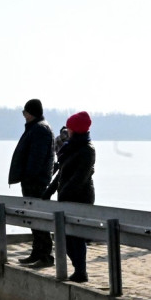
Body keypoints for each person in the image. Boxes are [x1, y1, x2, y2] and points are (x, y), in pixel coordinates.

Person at [44, 111, 95, 282]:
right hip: (66, 196)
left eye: (70, 128)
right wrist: (50, 191)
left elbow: (80, 178)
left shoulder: (87, 150)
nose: (68, 131)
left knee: (76, 236)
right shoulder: (69, 147)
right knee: (65, 236)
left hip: (81, 198)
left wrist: (64, 194)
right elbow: (62, 173)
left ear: (77, 130)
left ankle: (81, 271)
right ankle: (78, 268)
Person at [8, 98, 56, 267]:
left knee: (38, 218)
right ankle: (37, 252)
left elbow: (37, 158)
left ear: (31, 113)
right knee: (33, 219)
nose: (23, 115)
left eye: (24, 112)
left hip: (36, 182)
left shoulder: (40, 129)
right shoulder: (35, 128)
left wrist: (29, 176)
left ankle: (46, 256)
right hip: (31, 180)